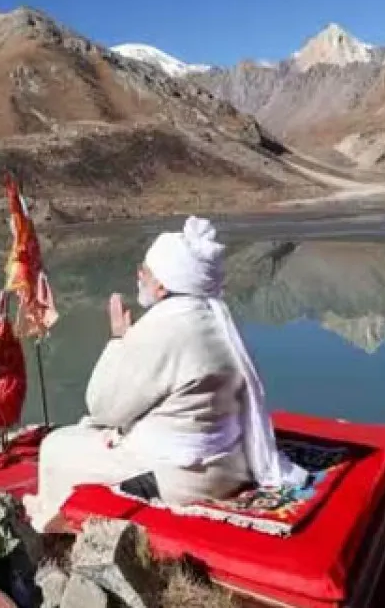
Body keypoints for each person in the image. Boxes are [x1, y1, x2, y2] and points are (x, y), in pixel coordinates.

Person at [22, 216, 307, 532]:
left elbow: (104, 407)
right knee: (88, 432)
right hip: (230, 464)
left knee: (56, 446)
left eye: (145, 271)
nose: (139, 276)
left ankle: (55, 528)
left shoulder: (165, 327)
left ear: (162, 283)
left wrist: (118, 340)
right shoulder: (220, 319)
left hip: (182, 476)